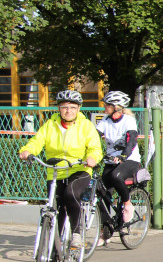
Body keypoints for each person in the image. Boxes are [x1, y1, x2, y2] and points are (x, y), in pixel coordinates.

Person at [19, 90, 104, 250]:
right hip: (55, 171)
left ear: (78, 109)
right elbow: (37, 141)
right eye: (64, 107)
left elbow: (95, 147)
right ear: (59, 108)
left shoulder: (86, 126)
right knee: (56, 207)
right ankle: (52, 251)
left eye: (72, 107)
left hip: (79, 169)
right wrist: (27, 151)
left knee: (70, 194)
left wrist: (92, 158)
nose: (68, 111)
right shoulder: (50, 125)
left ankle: (76, 233)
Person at [95, 91, 141, 244]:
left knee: (116, 176)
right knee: (101, 193)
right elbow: (94, 136)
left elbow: (131, 140)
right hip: (111, 161)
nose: (104, 107)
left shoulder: (128, 120)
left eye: (107, 105)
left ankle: (127, 204)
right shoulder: (105, 120)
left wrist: (123, 155)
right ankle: (106, 230)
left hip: (130, 160)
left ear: (117, 107)